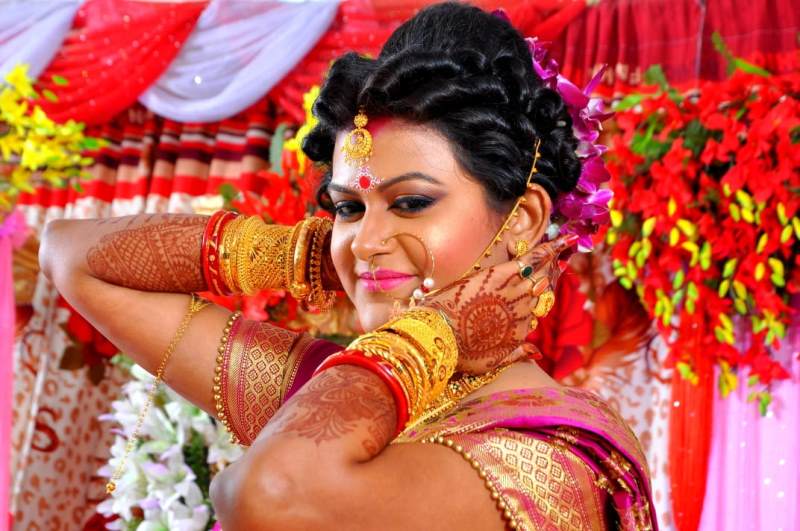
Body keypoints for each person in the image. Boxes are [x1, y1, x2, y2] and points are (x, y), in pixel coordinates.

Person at [39, 3, 656, 530]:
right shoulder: (343, 397)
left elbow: (269, 493)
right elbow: (70, 256)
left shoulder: (555, 458)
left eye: (411, 203)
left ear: (522, 218)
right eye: (349, 208)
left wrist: (436, 332)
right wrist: (308, 254)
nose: (365, 242)